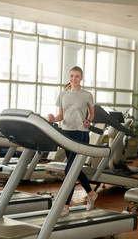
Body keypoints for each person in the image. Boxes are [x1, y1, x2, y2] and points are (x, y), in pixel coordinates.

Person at [48, 66, 98, 217]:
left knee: (69, 170)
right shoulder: (63, 94)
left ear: (81, 78)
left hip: (81, 134)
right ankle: (91, 194)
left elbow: (92, 114)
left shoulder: (87, 95)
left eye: (77, 76)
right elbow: (60, 116)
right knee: (74, 169)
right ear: (69, 77)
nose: (74, 79)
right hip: (66, 133)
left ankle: (66, 206)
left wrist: (89, 121)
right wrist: (53, 119)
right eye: (71, 76)